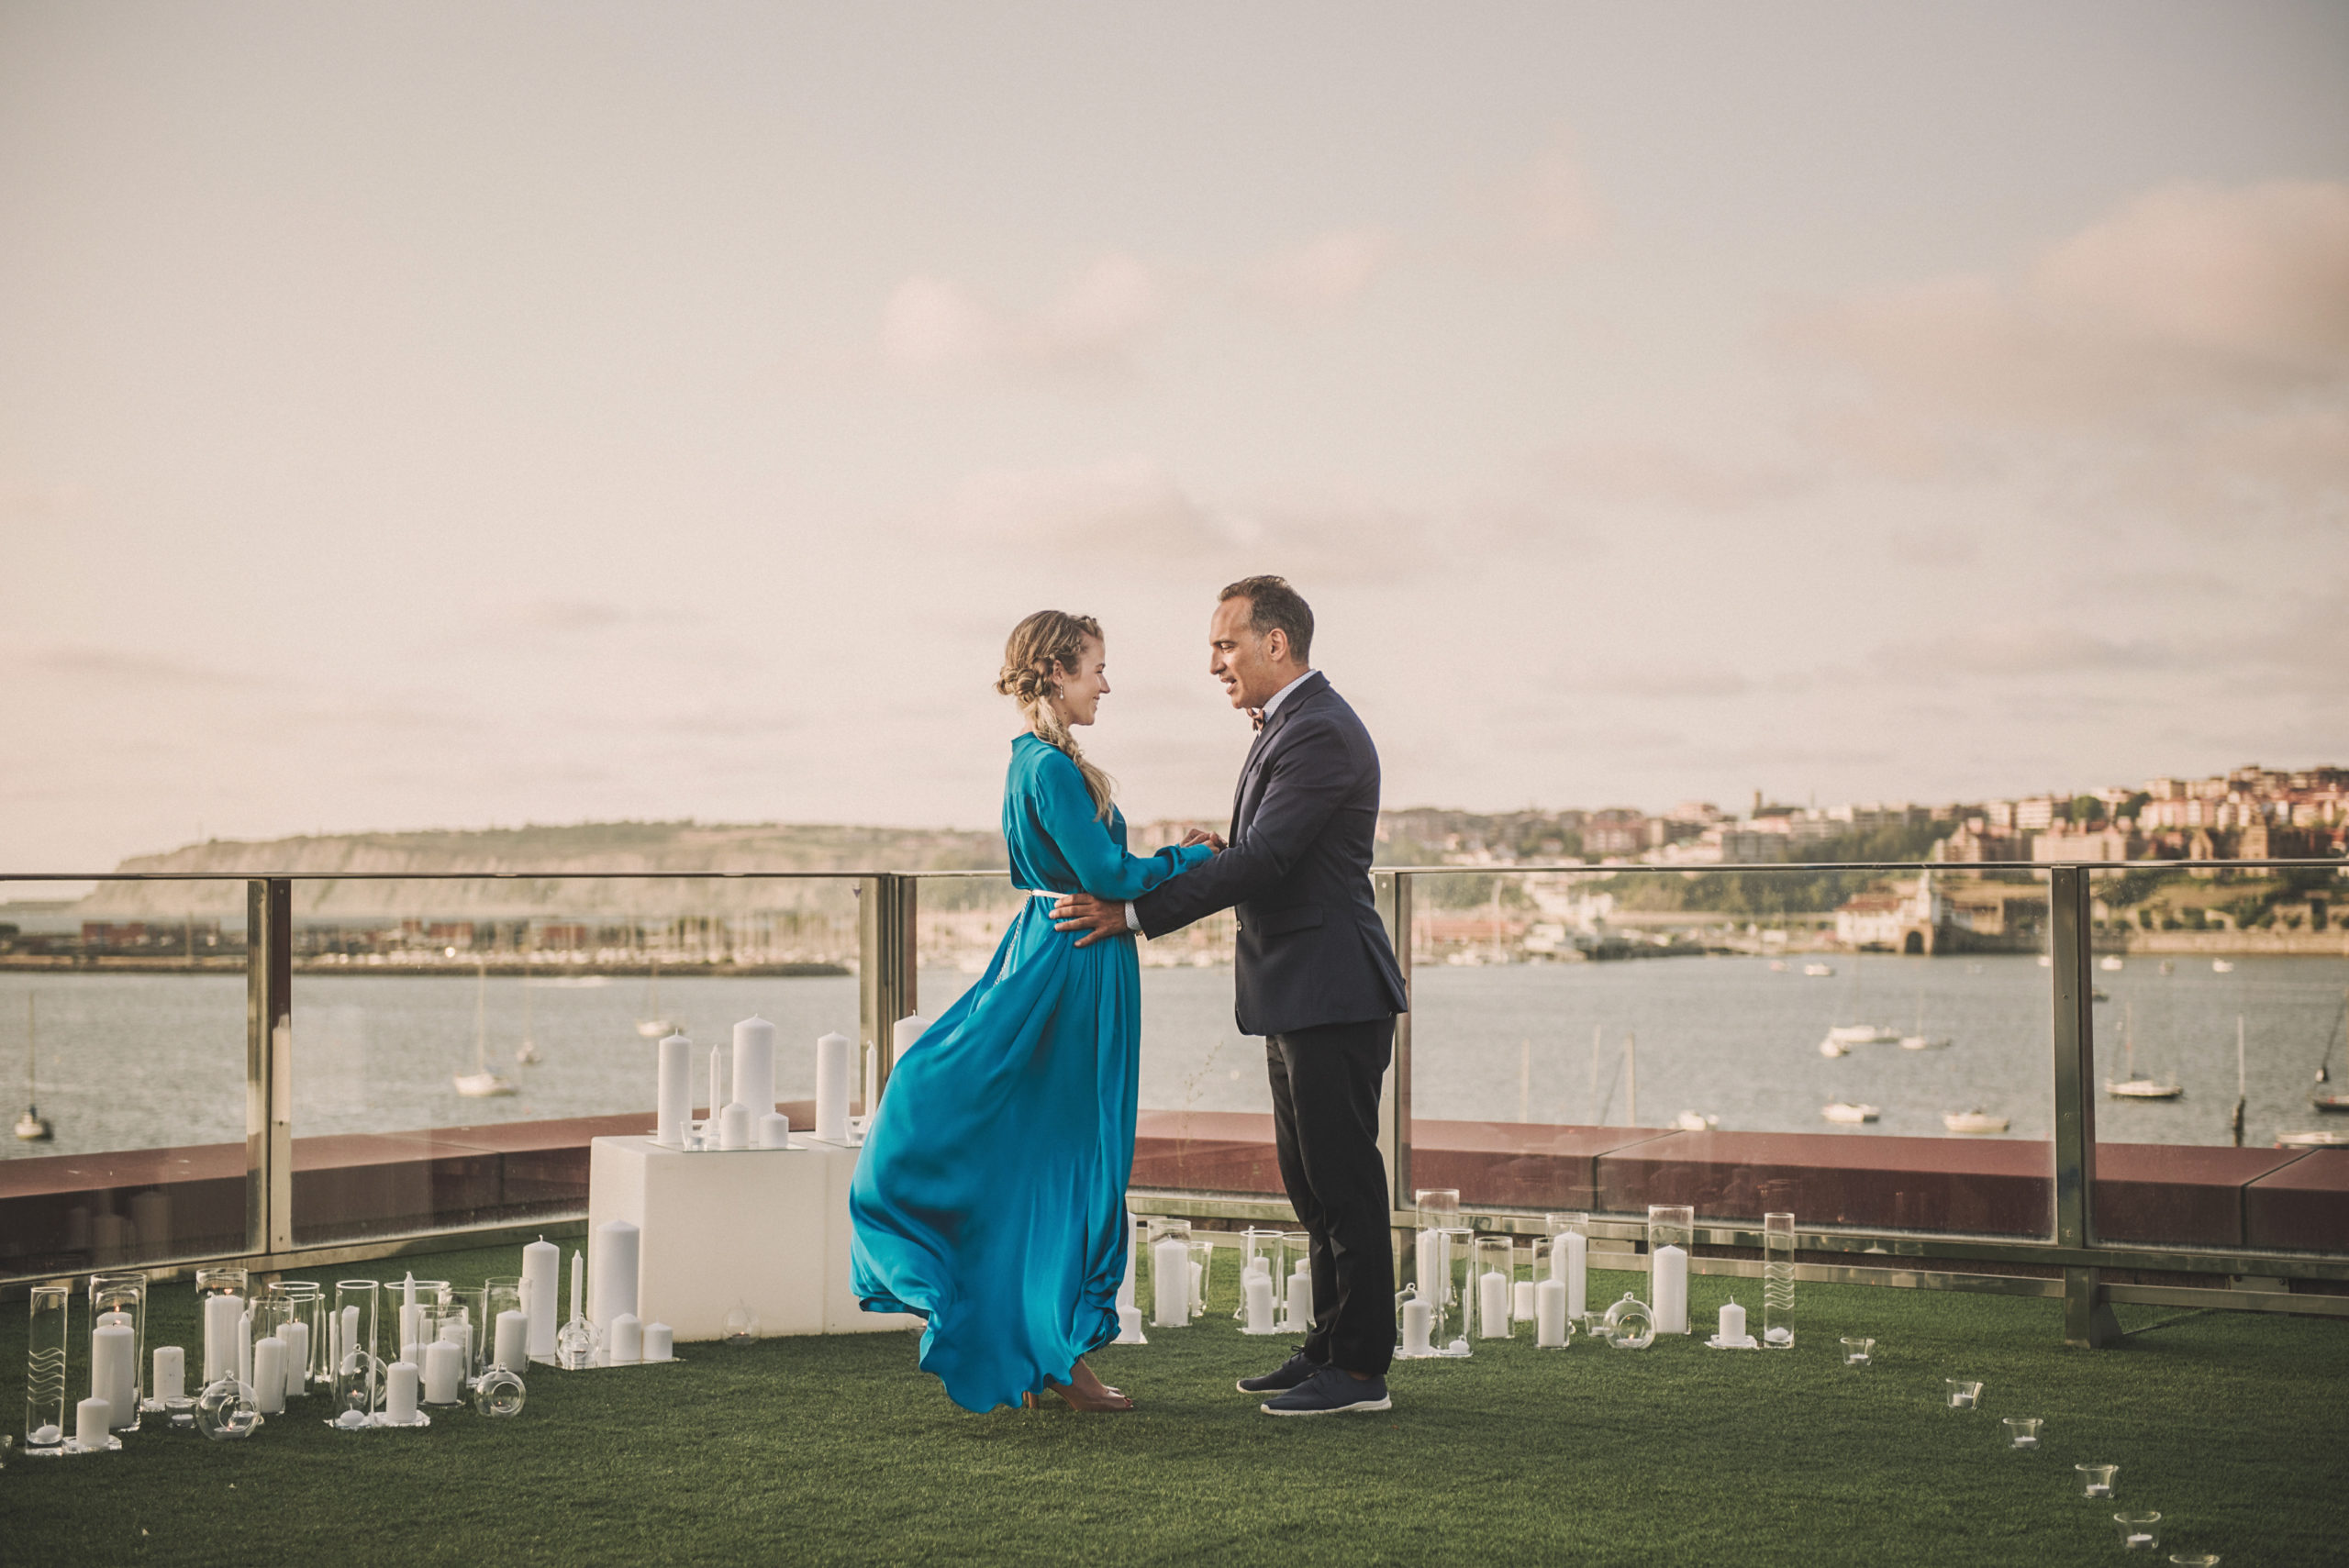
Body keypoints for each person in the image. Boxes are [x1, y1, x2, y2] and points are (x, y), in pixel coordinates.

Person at [1054, 575, 1408, 1417]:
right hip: (1299, 992)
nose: (1214, 662)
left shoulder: (1318, 729)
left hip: (1333, 989)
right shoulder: (1291, 725)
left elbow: (1269, 862)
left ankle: (1359, 1371)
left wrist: (1137, 910)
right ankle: (1328, 1345)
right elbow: (1260, 849)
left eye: (1226, 644)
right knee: (1312, 1183)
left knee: (1345, 1182)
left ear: (1275, 643)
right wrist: (1214, 851)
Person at [850, 610, 1216, 1414]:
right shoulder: (1047, 767)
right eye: (1095, 667)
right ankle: (1059, 1358)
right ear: (1055, 672)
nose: (1106, 683)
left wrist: (1158, 860)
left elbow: (1103, 868)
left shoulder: (1040, 763)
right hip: (1073, 967)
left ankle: (1053, 1354)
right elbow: (1109, 872)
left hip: (1063, 956)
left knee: (1062, 1161)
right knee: (1072, 1162)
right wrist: (1195, 855)